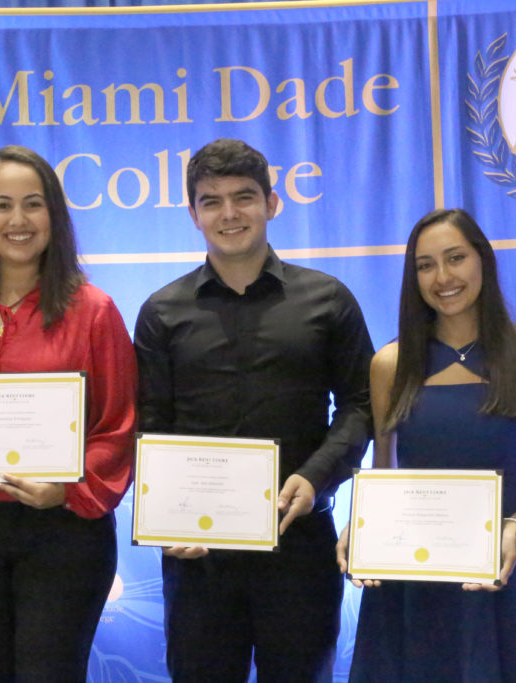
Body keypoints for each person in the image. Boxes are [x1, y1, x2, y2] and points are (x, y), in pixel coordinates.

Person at [135, 138, 374, 681]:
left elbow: (363, 405)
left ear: (272, 202)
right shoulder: (161, 312)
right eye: (212, 201)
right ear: (193, 213)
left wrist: (317, 478)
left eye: (244, 197)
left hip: (300, 540)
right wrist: (165, 519)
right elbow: (150, 424)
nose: (229, 213)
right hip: (196, 551)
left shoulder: (328, 299)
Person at [0, 145, 137, 681]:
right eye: (2, 205)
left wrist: (67, 488)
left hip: (62, 532)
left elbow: (119, 423)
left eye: (33, 204)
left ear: (54, 217)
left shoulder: (93, 310)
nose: (18, 221)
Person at [336, 208, 516, 682]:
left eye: (455, 258)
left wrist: (513, 528)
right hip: (411, 577)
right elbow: (383, 475)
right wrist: (361, 529)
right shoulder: (390, 363)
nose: (442, 277)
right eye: (425, 265)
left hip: (504, 572)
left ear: (481, 261)